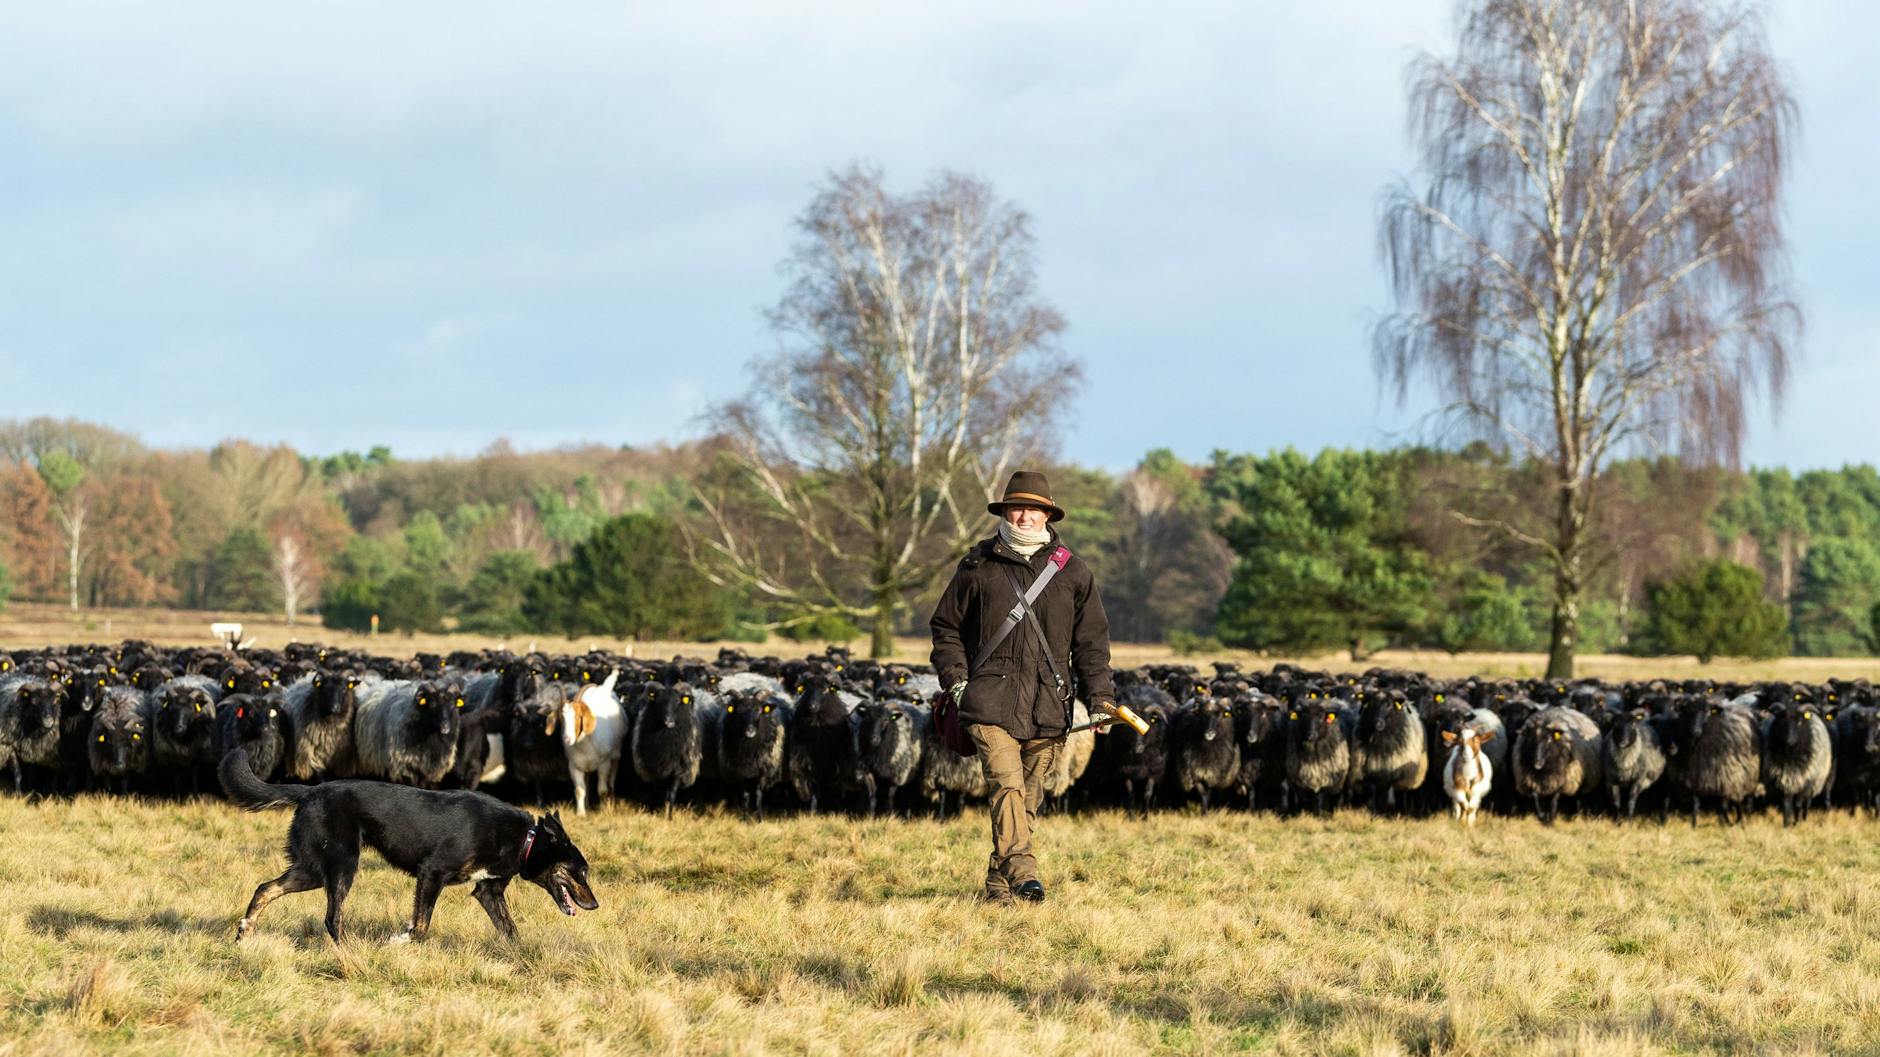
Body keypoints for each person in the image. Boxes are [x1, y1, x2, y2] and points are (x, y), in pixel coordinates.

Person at [929, 470, 1115, 905]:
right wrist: (956, 682)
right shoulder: (977, 567)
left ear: (1048, 514)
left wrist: (1101, 697)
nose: (1025, 515)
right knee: (1007, 786)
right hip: (988, 702)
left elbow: (1092, 643)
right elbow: (946, 628)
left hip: (1050, 705)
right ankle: (1023, 871)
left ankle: (998, 886)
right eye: (1018, 507)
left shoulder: (1074, 573)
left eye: (1035, 508)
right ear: (1005, 511)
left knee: (1026, 800)